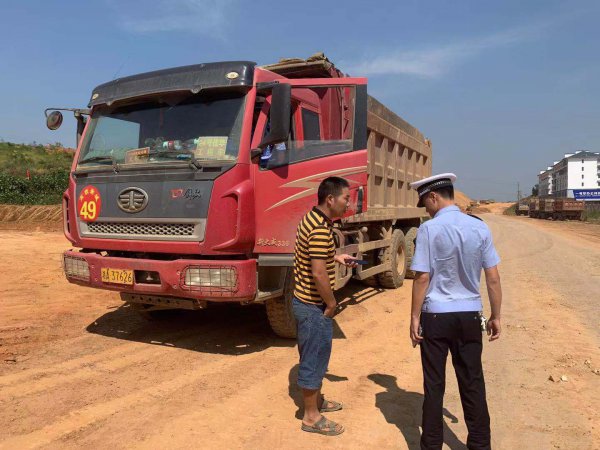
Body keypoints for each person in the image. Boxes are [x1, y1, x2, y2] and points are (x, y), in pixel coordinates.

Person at [408, 173, 502, 450]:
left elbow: (422, 277)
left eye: (425, 202)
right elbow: (493, 277)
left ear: (435, 197)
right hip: (470, 315)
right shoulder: (479, 227)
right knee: (472, 381)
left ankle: (432, 445)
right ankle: (480, 445)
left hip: (435, 317)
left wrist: (414, 317)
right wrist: (496, 316)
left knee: (434, 385)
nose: (426, 208)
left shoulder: (429, 229)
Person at [292, 176, 358, 436]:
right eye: (345, 198)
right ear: (330, 199)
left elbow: (315, 254)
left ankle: (317, 402)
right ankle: (311, 417)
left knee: (315, 355)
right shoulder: (320, 229)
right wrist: (331, 303)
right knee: (314, 358)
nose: (348, 203)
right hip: (313, 306)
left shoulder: (314, 219)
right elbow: (319, 274)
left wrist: (337, 256)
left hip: (304, 302)